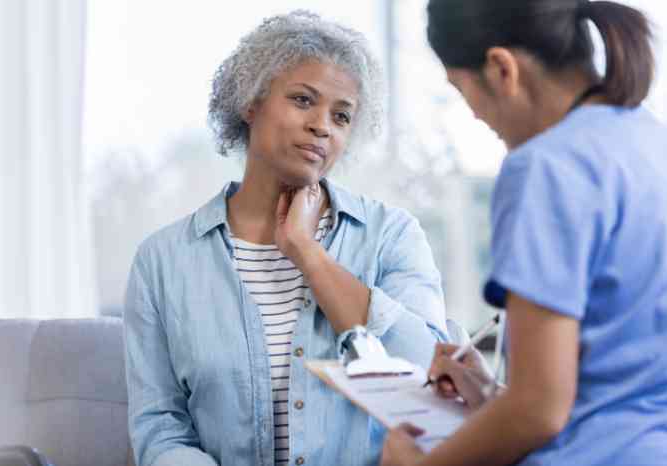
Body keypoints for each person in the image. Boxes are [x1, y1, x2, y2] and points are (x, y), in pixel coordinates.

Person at [124, 10, 448, 466]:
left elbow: (430, 377)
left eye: (341, 116)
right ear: (251, 101)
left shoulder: (392, 237)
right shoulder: (163, 261)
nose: (323, 125)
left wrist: (308, 254)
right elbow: (160, 426)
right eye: (302, 100)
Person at [381, 1, 667, 465]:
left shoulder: (546, 167)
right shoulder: (649, 141)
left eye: (461, 90)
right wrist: (493, 396)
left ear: (500, 69)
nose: (474, 115)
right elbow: (618, 380)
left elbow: (540, 411)